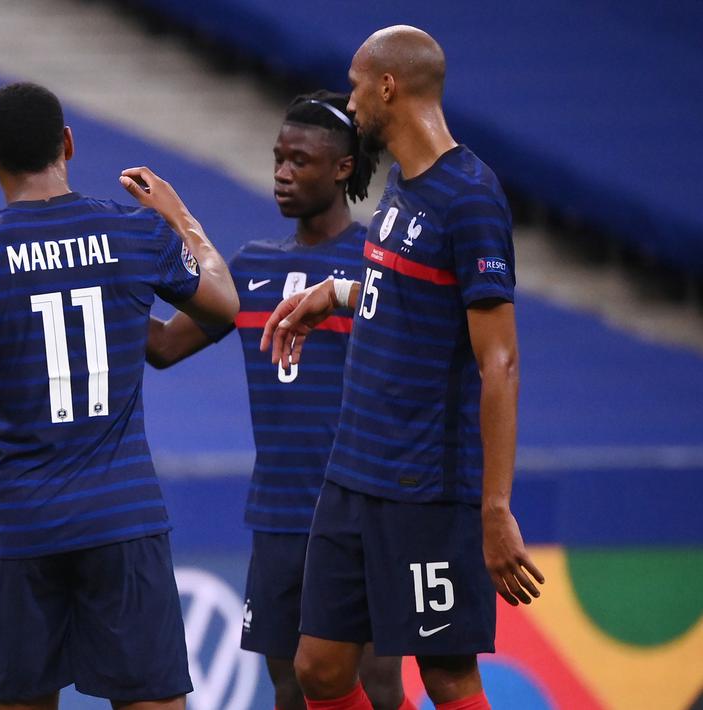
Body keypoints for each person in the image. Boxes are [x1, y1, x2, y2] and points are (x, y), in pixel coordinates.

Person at [0, 82, 239, 709]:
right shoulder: (134, 233)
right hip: (122, 517)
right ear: (68, 143)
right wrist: (179, 216)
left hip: (19, 529)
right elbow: (223, 308)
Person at [261, 26, 545, 710]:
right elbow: (412, 300)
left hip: (425, 489)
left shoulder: (469, 198)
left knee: (445, 677)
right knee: (319, 669)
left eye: (357, 85)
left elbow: (498, 360)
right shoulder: (399, 185)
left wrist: (495, 508)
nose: (350, 102)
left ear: (388, 86)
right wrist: (333, 294)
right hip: (352, 474)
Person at [146, 91, 410, 710]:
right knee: (289, 686)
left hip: (365, 511)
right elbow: (161, 347)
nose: (283, 174)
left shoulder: (380, 262)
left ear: (344, 168)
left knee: (376, 684)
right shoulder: (253, 267)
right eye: (278, 159)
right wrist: (106, 285)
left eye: (301, 161)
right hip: (281, 513)